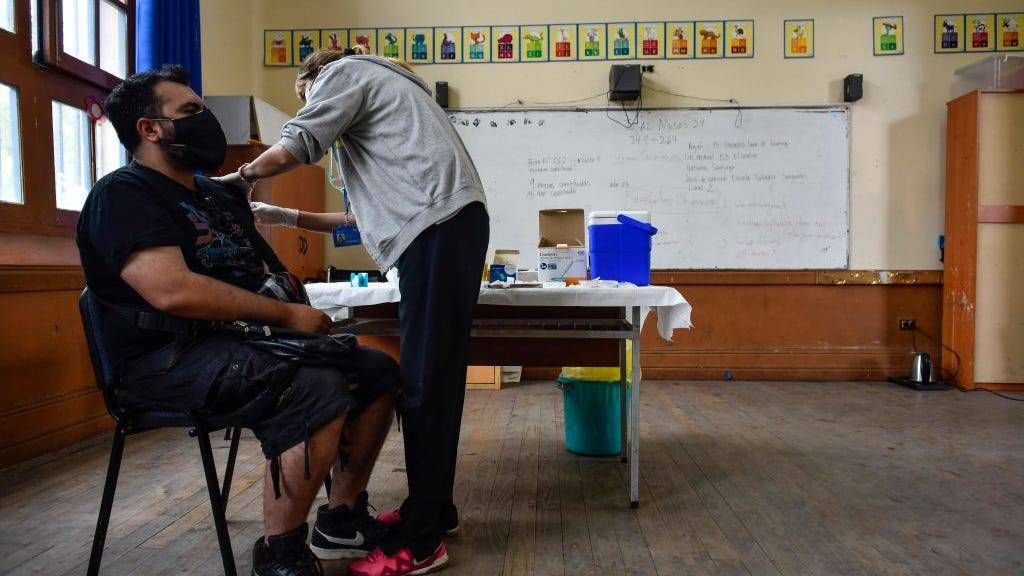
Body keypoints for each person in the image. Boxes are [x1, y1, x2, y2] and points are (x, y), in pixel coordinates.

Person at [76, 65, 399, 576]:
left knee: (377, 371)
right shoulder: (124, 195)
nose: (205, 120)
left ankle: (340, 519)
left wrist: (294, 307)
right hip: (168, 359)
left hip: (245, 343)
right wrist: (287, 314)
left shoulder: (217, 196)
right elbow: (172, 291)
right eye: (190, 111)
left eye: (203, 109)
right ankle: (280, 553)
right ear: (149, 128)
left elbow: (264, 272)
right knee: (313, 383)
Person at [219, 50, 489, 576]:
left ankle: (424, 539)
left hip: (438, 230)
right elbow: (357, 220)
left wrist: (240, 177)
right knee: (429, 379)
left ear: (317, 77)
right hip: (446, 227)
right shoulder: (390, 102)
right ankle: (433, 510)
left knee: (427, 385)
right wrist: (281, 214)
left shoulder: (345, 73)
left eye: (309, 98)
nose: (315, 106)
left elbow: (298, 142)